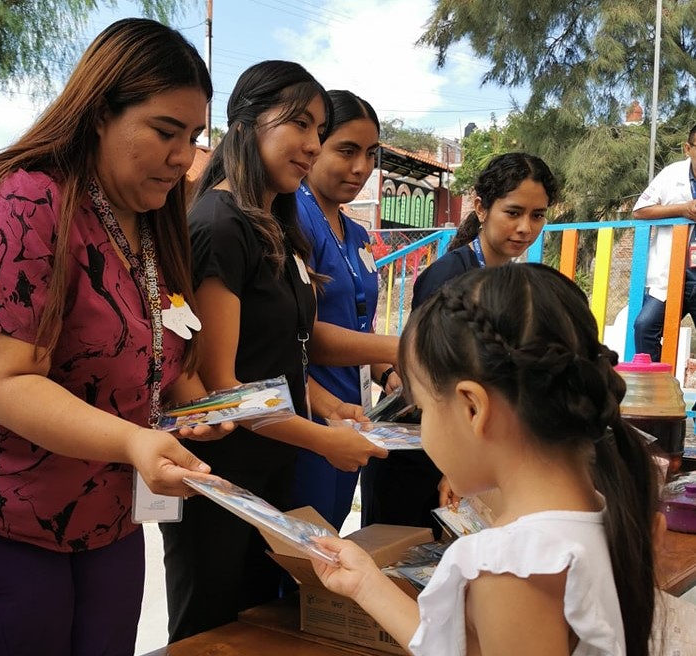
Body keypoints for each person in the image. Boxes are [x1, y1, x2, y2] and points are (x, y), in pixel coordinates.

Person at [0, 18, 230, 656]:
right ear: (101, 110)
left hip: (103, 501)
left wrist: (197, 408)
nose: (184, 156)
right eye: (165, 131)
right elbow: (4, 383)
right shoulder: (23, 201)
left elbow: (163, 346)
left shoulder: (151, 219)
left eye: (193, 136)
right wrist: (134, 440)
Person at [161, 60, 399, 642]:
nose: (312, 146)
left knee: (264, 625)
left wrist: (324, 403)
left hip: (270, 467)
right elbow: (222, 385)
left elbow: (281, 352)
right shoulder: (219, 224)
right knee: (213, 630)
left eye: (318, 130)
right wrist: (321, 439)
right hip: (222, 475)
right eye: (300, 125)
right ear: (247, 121)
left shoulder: (271, 222)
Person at [311, 263, 659, 655]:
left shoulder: (512, 564)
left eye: (422, 409)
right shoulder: (604, 513)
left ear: (472, 407)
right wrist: (366, 585)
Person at [360, 152, 558, 536]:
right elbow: (432, 381)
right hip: (420, 458)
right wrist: (453, 468)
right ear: (482, 208)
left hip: (462, 457)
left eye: (537, 215)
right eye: (513, 212)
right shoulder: (448, 277)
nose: (525, 227)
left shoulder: (508, 280)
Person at [291, 89, 399, 531]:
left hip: (353, 415)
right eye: (347, 150)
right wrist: (408, 347)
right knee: (303, 554)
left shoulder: (355, 233)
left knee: (331, 537)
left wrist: (387, 372)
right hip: (308, 414)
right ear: (315, 145)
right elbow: (304, 333)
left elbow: (361, 325)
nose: (361, 168)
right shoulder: (295, 216)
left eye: (371, 154)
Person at [632, 123, 696, 362]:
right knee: (644, 327)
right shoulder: (672, 174)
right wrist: (683, 210)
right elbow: (640, 211)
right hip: (671, 276)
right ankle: (656, 391)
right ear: (687, 148)